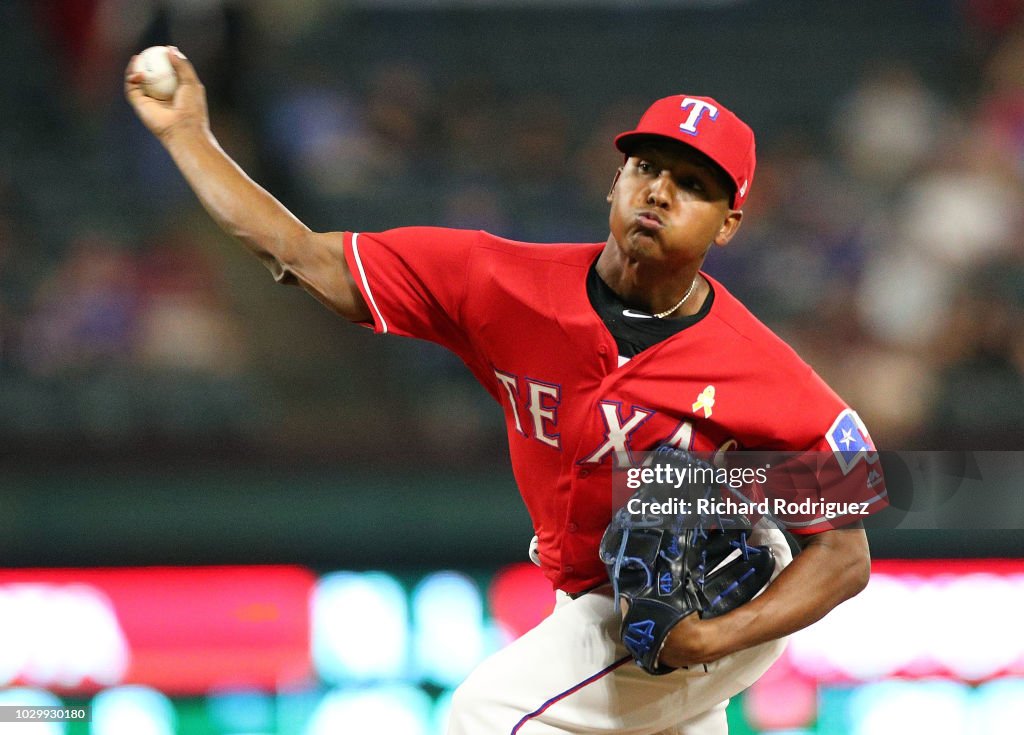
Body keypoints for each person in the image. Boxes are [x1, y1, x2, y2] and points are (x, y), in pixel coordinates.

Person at [126, 48, 884, 735]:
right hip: (609, 599)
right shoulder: (505, 283)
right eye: (646, 167)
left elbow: (845, 553)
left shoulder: (760, 368)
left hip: (711, 599)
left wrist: (710, 637)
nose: (659, 191)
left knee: (487, 716)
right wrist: (188, 134)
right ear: (615, 180)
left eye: (692, 184)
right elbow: (303, 256)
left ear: (729, 223)